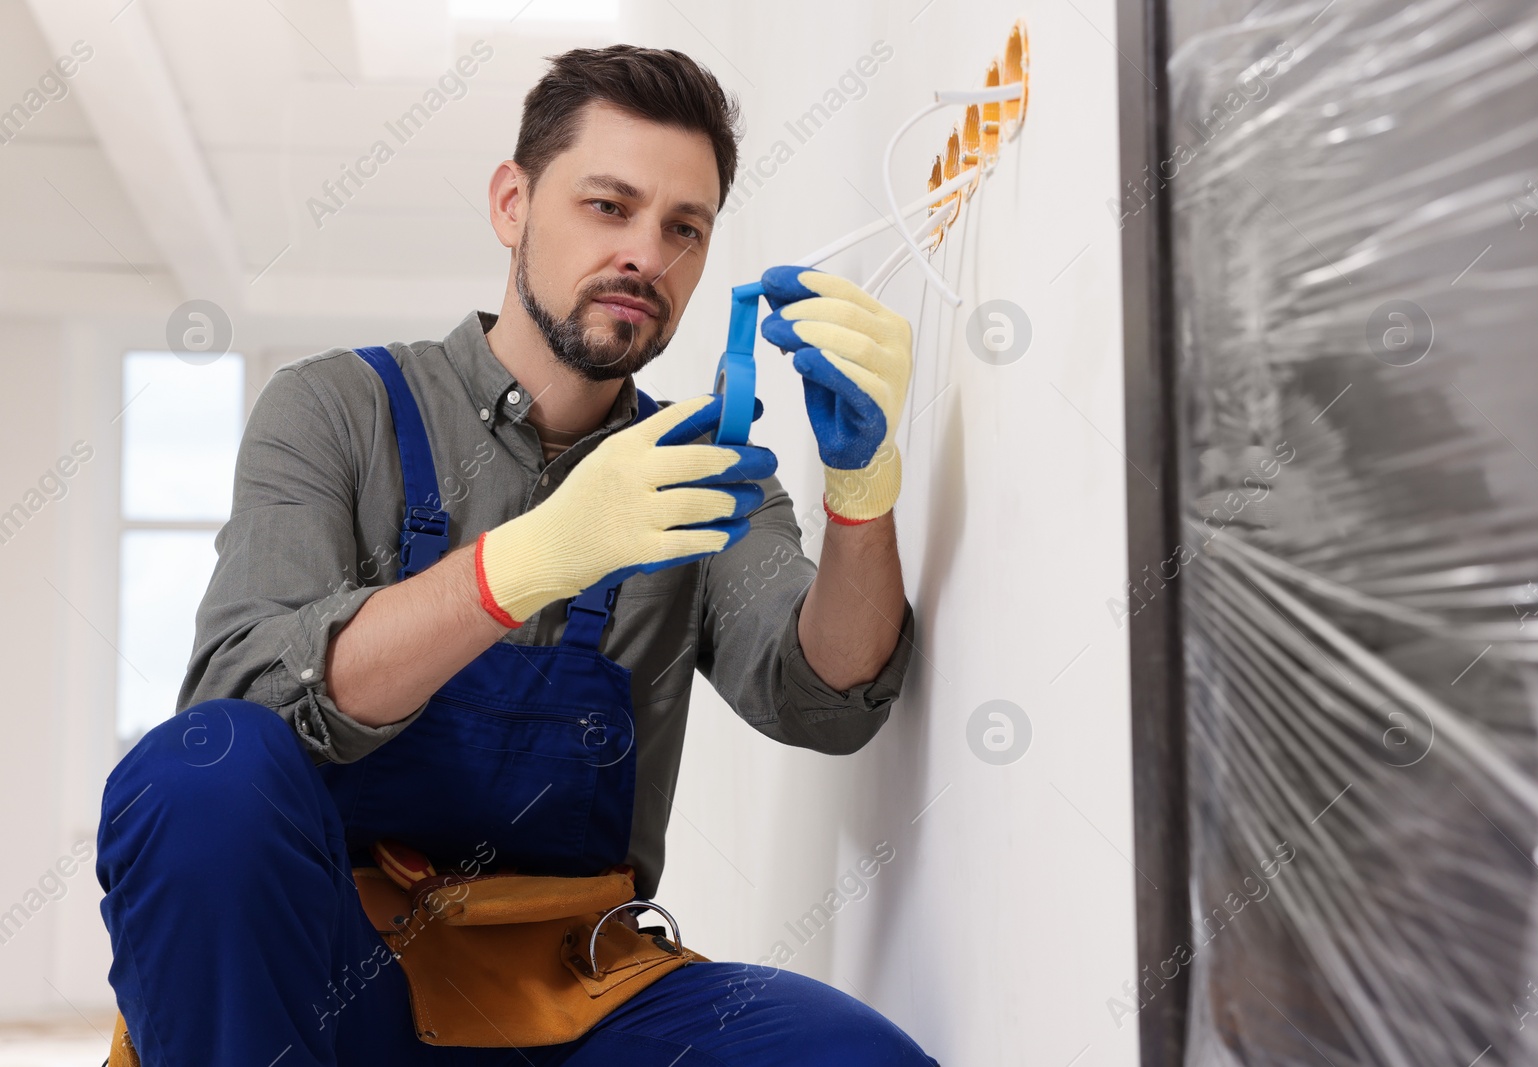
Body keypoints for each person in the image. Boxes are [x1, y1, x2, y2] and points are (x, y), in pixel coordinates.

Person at [95, 43, 936, 1066]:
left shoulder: (704, 471)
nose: (646, 255)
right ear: (512, 204)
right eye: (607, 205)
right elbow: (244, 702)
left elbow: (824, 692)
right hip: (318, 991)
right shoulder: (334, 411)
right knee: (199, 772)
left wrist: (862, 489)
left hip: (570, 994)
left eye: (686, 228)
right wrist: (526, 561)